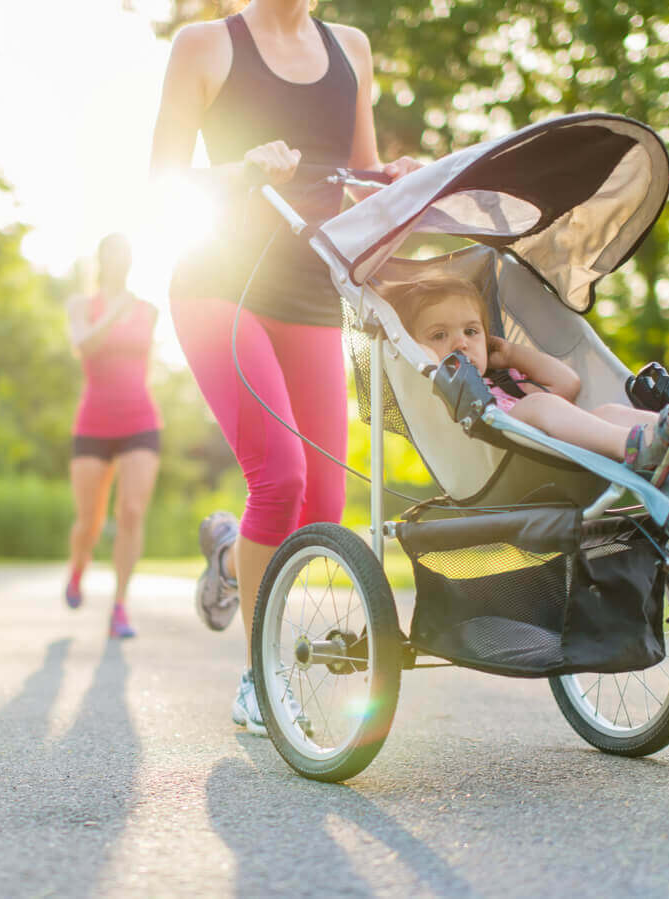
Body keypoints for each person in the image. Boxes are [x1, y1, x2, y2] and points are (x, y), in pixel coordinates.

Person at [149, 0, 422, 734]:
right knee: (281, 476)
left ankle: (230, 556)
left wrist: (395, 180)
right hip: (220, 282)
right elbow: (163, 177)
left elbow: (359, 181)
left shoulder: (351, 48)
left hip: (311, 291)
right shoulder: (206, 44)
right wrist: (240, 169)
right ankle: (258, 680)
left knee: (322, 504)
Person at [385, 277, 669, 482]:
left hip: (559, 453)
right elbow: (421, 360)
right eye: (439, 335)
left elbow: (568, 385)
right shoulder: (441, 391)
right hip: (504, 464)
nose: (461, 343)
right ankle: (638, 447)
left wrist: (511, 355)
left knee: (606, 412)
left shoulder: (505, 382)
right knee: (540, 404)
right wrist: (425, 354)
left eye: (471, 331)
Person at [64, 233, 162, 639]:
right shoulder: (81, 305)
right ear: (101, 259)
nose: (121, 260)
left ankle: (120, 605)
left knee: (132, 511)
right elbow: (83, 346)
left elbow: (145, 362)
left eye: (127, 253)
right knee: (89, 520)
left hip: (140, 418)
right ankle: (78, 568)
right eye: (114, 253)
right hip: (94, 422)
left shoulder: (149, 309)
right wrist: (112, 313)